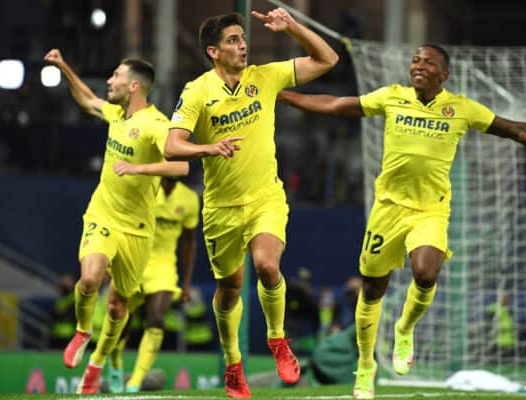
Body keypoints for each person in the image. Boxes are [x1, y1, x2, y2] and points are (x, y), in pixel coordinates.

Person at [277, 44, 526, 399]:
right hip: (388, 210)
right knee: (372, 290)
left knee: (426, 273)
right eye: (415, 60)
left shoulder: (460, 108)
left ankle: (404, 328)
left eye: (428, 62)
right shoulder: (392, 97)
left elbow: (520, 131)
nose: (418, 65)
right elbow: (336, 106)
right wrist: (283, 95)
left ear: (443, 75)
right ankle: (366, 367)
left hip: (430, 210)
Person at [164, 7, 338, 399]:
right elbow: (171, 145)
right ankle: (232, 364)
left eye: (243, 39)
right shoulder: (197, 91)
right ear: (213, 51)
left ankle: (278, 339)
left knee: (266, 265)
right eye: (232, 41)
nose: (243, 46)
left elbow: (328, 59)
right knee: (228, 290)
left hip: (265, 198)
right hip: (221, 210)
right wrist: (209, 147)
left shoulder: (266, 76)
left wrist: (293, 27)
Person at [43, 48, 204, 394]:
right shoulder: (117, 114)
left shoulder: (155, 124)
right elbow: (87, 100)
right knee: (89, 280)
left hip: (138, 231)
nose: (109, 80)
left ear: (133, 86)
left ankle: (99, 364)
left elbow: (180, 166)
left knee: (119, 307)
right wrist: (63, 65)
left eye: (116, 75)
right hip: (102, 215)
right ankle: (83, 331)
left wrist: (138, 168)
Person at [105, 175, 200, 393]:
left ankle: (135, 382)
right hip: (136, 260)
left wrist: (186, 282)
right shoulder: (145, 187)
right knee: (121, 319)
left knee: (156, 318)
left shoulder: (189, 198)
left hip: (164, 266)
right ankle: (116, 364)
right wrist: (113, 263)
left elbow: (188, 241)